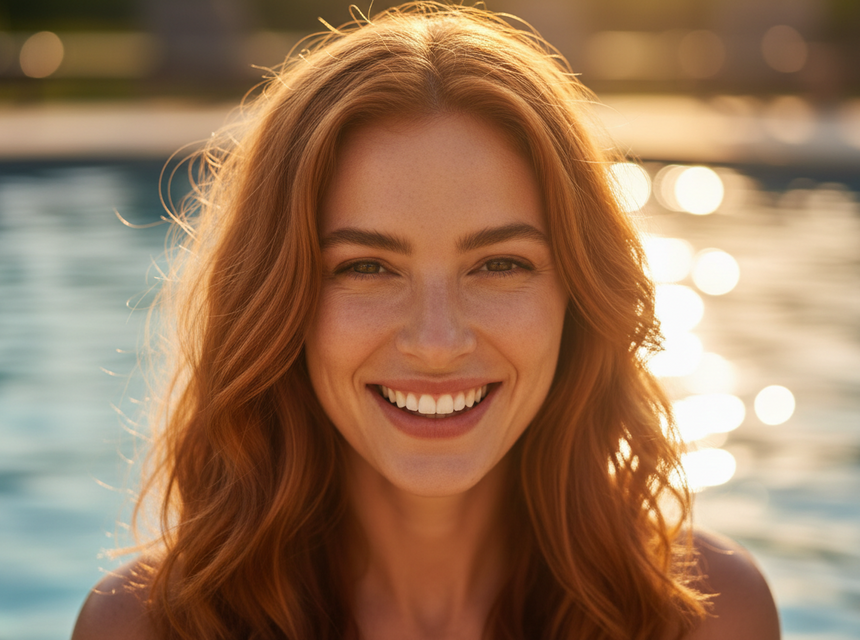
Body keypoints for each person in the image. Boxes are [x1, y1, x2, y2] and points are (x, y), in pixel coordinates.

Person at [72, 3, 780, 639]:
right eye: (366, 268)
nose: (437, 342)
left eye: (500, 265)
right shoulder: (146, 626)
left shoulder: (706, 615)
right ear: (278, 303)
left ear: (578, 296)